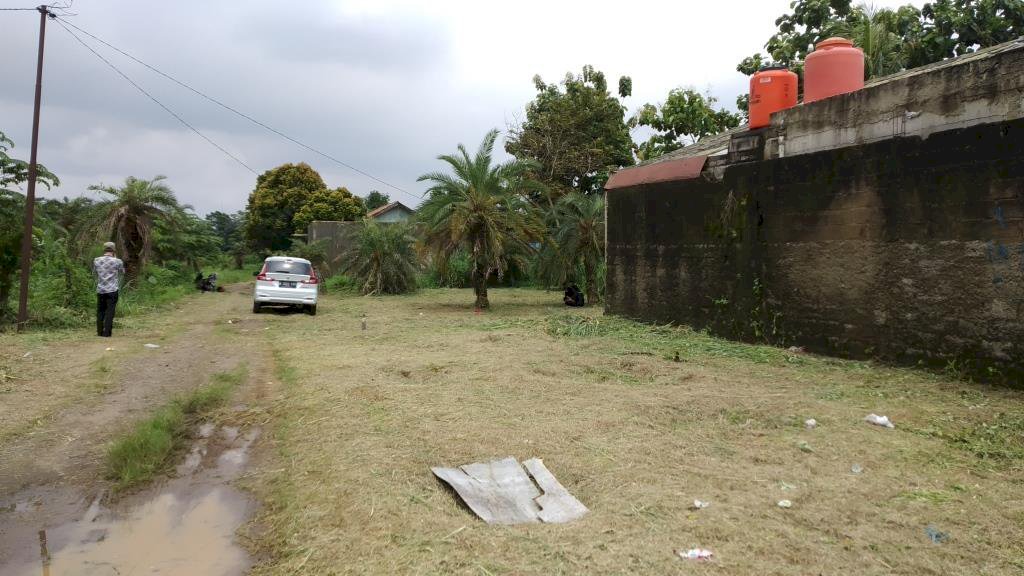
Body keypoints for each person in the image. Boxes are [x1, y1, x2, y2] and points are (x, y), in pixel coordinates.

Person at [93, 241, 125, 337]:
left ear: (104, 249)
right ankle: (107, 333)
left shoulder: (96, 260)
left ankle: (99, 332)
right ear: (114, 250)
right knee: (110, 311)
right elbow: (122, 272)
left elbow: (94, 272)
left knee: (100, 310)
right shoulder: (117, 261)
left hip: (100, 289)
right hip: (112, 290)